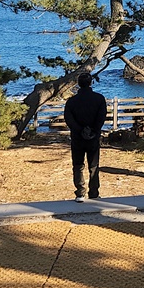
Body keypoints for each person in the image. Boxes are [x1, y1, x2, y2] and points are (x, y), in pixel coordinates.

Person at [64, 72, 107, 201]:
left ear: (78, 84)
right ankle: (93, 193)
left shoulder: (71, 101)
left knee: (78, 165)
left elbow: (68, 119)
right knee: (93, 166)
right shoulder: (99, 99)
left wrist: (80, 130)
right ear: (91, 83)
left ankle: (80, 193)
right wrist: (93, 130)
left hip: (77, 137)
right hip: (93, 137)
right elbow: (101, 117)